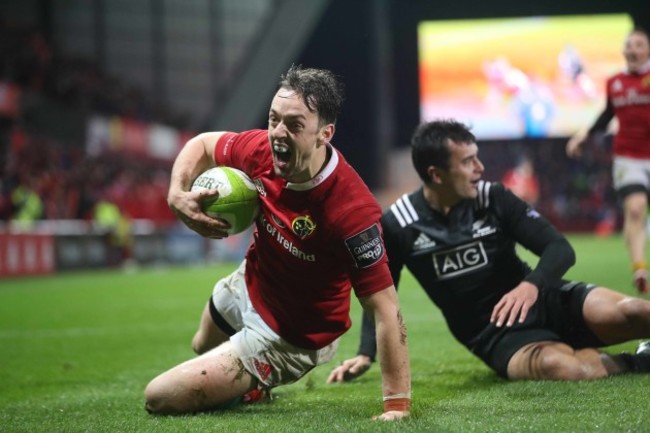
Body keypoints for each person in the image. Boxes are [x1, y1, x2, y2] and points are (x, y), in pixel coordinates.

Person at [144, 65, 411, 421]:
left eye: (294, 124)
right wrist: (177, 193)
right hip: (250, 283)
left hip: (291, 335)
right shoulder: (261, 152)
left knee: (160, 397)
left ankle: (256, 381)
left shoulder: (352, 213)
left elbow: (385, 307)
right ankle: (244, 379)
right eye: (274, 119)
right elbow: (202, 144)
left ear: (324, 134)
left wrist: (397, 405)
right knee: (200, 345)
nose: (277, 134)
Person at [327, 119, 650, 384]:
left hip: (545, 299)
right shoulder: (399, 224)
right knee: (567, 369)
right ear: (436, 175)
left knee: (634, 310)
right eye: (468, 162)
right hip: (495, 336)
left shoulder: (493, 197)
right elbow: (381, 292)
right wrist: (366, 352)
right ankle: (638, 360)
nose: (480, 168)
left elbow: (559, 248)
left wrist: (531, 285)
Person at [566, 27, 650, 294]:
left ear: (647, 50)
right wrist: (584, 135)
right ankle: (639, 267)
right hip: (628, 156)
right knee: (635, 208)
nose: (632, 49)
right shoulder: (615, 83)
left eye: (638, 45)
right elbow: (607, 114)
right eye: (629, 45)